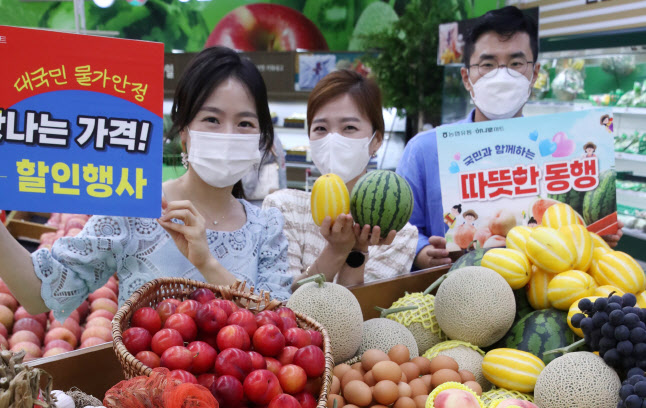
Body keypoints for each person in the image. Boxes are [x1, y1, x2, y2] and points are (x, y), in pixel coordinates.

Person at [0, 47, 292, 321]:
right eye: (212, 119)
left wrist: (207, 264)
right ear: (183, 131)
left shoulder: (267, 228)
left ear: (261, 139)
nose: (227, 135)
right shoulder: (135, 209)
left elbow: (281, 327)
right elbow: (38, 294)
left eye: (245, 123)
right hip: (145, 391)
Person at [397, 7, 622, 270]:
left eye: (516, 64)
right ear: (466, 78)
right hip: (453, 298)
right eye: (487, 64)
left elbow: (576, 240)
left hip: (541, 298)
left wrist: (599, 233)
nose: (501, 76)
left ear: (535, 74)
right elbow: (399, 231)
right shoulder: (424, 150)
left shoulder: (562, 151)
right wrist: (422, 252)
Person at [262, 69, 418, 288]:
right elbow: (282, 301)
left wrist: (358, 251)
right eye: (321, 128)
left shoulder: (398, 234)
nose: (333, 138)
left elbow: (359, 313)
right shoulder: (283, 208)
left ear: (376, 140)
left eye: (349, 128)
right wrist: (336, 250)